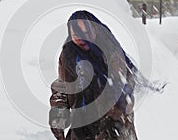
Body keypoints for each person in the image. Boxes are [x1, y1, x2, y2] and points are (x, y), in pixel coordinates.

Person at [49, 10, 140, 140]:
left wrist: (113, 120)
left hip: (114, 127)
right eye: (75, 34)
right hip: (82, 126)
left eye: (85, 32)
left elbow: (124, 86)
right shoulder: (68, 55)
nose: (80, 38)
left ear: (95, 29)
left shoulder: (111, 51)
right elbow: (63, 86)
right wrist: (58, 114)